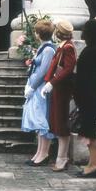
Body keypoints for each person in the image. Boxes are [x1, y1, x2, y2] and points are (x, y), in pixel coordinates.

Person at [41, 20, 77, 172]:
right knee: (57, 122)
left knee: (61, 123)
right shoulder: (63, 46)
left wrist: (52, 82)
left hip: (62, 89)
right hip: (58, 89)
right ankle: (60, 158)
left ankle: (62, 159)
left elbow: (67, 69)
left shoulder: (68, 47)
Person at [21, 20, 56, 166]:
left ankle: (44, 154)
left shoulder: (48, 49)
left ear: (38, 34)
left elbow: (43, 71)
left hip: (41, 88)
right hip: (36, 86)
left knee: (42, 120)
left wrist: (33, 87)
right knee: (38, 120)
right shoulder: (43, 48)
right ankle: (39, 152)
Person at [74, 19, 96, 178]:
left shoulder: (90, 51)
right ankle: (92, 163)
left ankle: (94, 164)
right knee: (90, 132)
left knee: (89, 133)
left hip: (90, 98)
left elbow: (84, 78)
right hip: (91, 97)